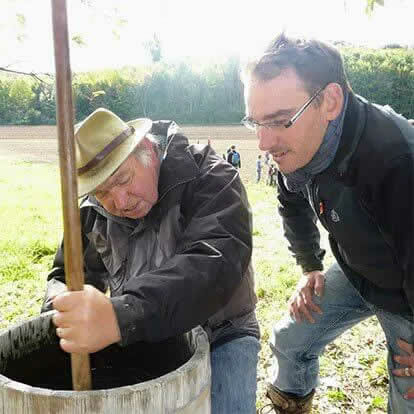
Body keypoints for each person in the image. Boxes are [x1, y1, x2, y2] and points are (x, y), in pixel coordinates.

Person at [41, 108, 260, 413]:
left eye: (123, 179)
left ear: (146, 149)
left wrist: (122, 314)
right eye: (102, 192)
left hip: (222, 331)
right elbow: (67, 274)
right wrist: (62, 304)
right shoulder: (91, 211)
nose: (119, 202)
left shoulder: (210, 176)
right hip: (143, 335)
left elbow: (214, 262)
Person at [241, 33, 414, 413]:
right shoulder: (298, 149)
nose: (264, 142)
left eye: (280, 121)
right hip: (358, 270)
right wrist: (310, 264)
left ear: (330, 102)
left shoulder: (395, 159)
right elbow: (290, 196)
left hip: (407, 295)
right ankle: (292, 404)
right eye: (255, 122)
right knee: (290, 338)